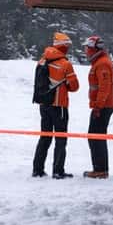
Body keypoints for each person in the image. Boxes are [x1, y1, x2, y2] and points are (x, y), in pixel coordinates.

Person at [32, 31, 80, 179]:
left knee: (45, 136)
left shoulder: (42, 60)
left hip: (44, 104)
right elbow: (75, 87)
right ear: (64, 47)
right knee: (61, 138)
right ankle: (58, 171)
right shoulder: (65, 64)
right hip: (59, 106)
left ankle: (37, 169)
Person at [83, 34, 113, 179]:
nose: (86, 50)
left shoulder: (102, 63)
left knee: (96, 137)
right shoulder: (99, 62)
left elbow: (104, 88)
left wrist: (98, 106)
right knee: (96, 136)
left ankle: (100, 170)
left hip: (102, 107)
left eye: (88, 48)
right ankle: (100, 168)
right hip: (101, 106)